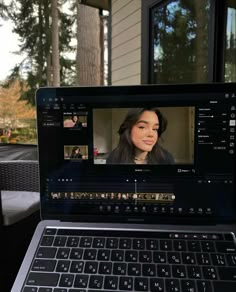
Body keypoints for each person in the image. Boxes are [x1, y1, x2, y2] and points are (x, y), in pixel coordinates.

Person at [106, 108, 175, 164]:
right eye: (142, 127)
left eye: (155, 129)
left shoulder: (166, 159)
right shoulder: (114, 159)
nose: (151, 134)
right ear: (128, 129)